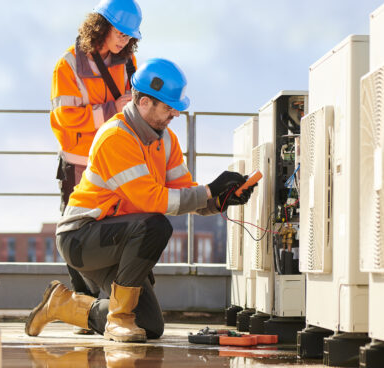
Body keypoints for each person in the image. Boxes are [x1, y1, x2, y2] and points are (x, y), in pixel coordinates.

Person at [26, 58, 254, 342]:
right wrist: (208, 190)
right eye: (169, 107)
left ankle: (63, 304)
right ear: (145, 102)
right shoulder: (115, 137)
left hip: (119, 240)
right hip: (82, 237)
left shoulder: (166, 139)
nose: (175, 114)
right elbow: (151, 200)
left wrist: (220, 200)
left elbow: (183, 190)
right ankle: (118, 319)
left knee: (149, 326)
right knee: (157, 225)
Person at [49, 0, 142, 334]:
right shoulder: (68, 65)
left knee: (114, 227)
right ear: (101, 25)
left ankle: (104, 306)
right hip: (79, 164)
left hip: (114, 161)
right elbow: (65, 119)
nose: (124, 40)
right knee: (75, 233)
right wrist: (112, 108)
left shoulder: (129, 60)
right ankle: (82, 305)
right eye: (120, 32)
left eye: (130, 36)